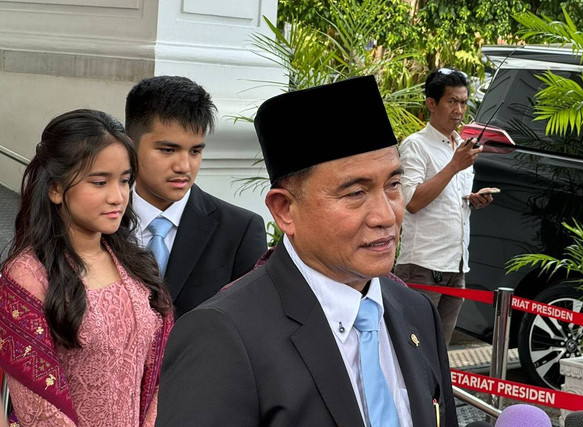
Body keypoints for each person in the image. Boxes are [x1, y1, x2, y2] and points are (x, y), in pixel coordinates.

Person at [156, 75, 458, 426]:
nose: (386, 215)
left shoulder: (415, 311)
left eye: (393, 185)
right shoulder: (223, 336)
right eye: (355, 193)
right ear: (285, 210)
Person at [0, 109, 173, 426]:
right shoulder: (28, 276)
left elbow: (161, 370)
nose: (117, 197)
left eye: (124, 181)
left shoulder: (135, 265)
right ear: (55, 189)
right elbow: (40, 410)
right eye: (99, 182)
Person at [125, 75, 267, 319]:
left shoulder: (239, 231)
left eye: (195, 151)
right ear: (129, 146)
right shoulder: (100, 221)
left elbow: (252, 326)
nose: (183, 166)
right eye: (168, 150)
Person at [394, 67, 494, 346]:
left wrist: (473, 200)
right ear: (431, 103)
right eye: (452, 101)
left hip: (457, 264)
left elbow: (448, 199)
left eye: (463, 102)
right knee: (412, 349)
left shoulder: (461, 147)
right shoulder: (416, 145)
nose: (459, 110)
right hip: (422, 265)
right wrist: (454, 166)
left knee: (439, 350)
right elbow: (411, 202)